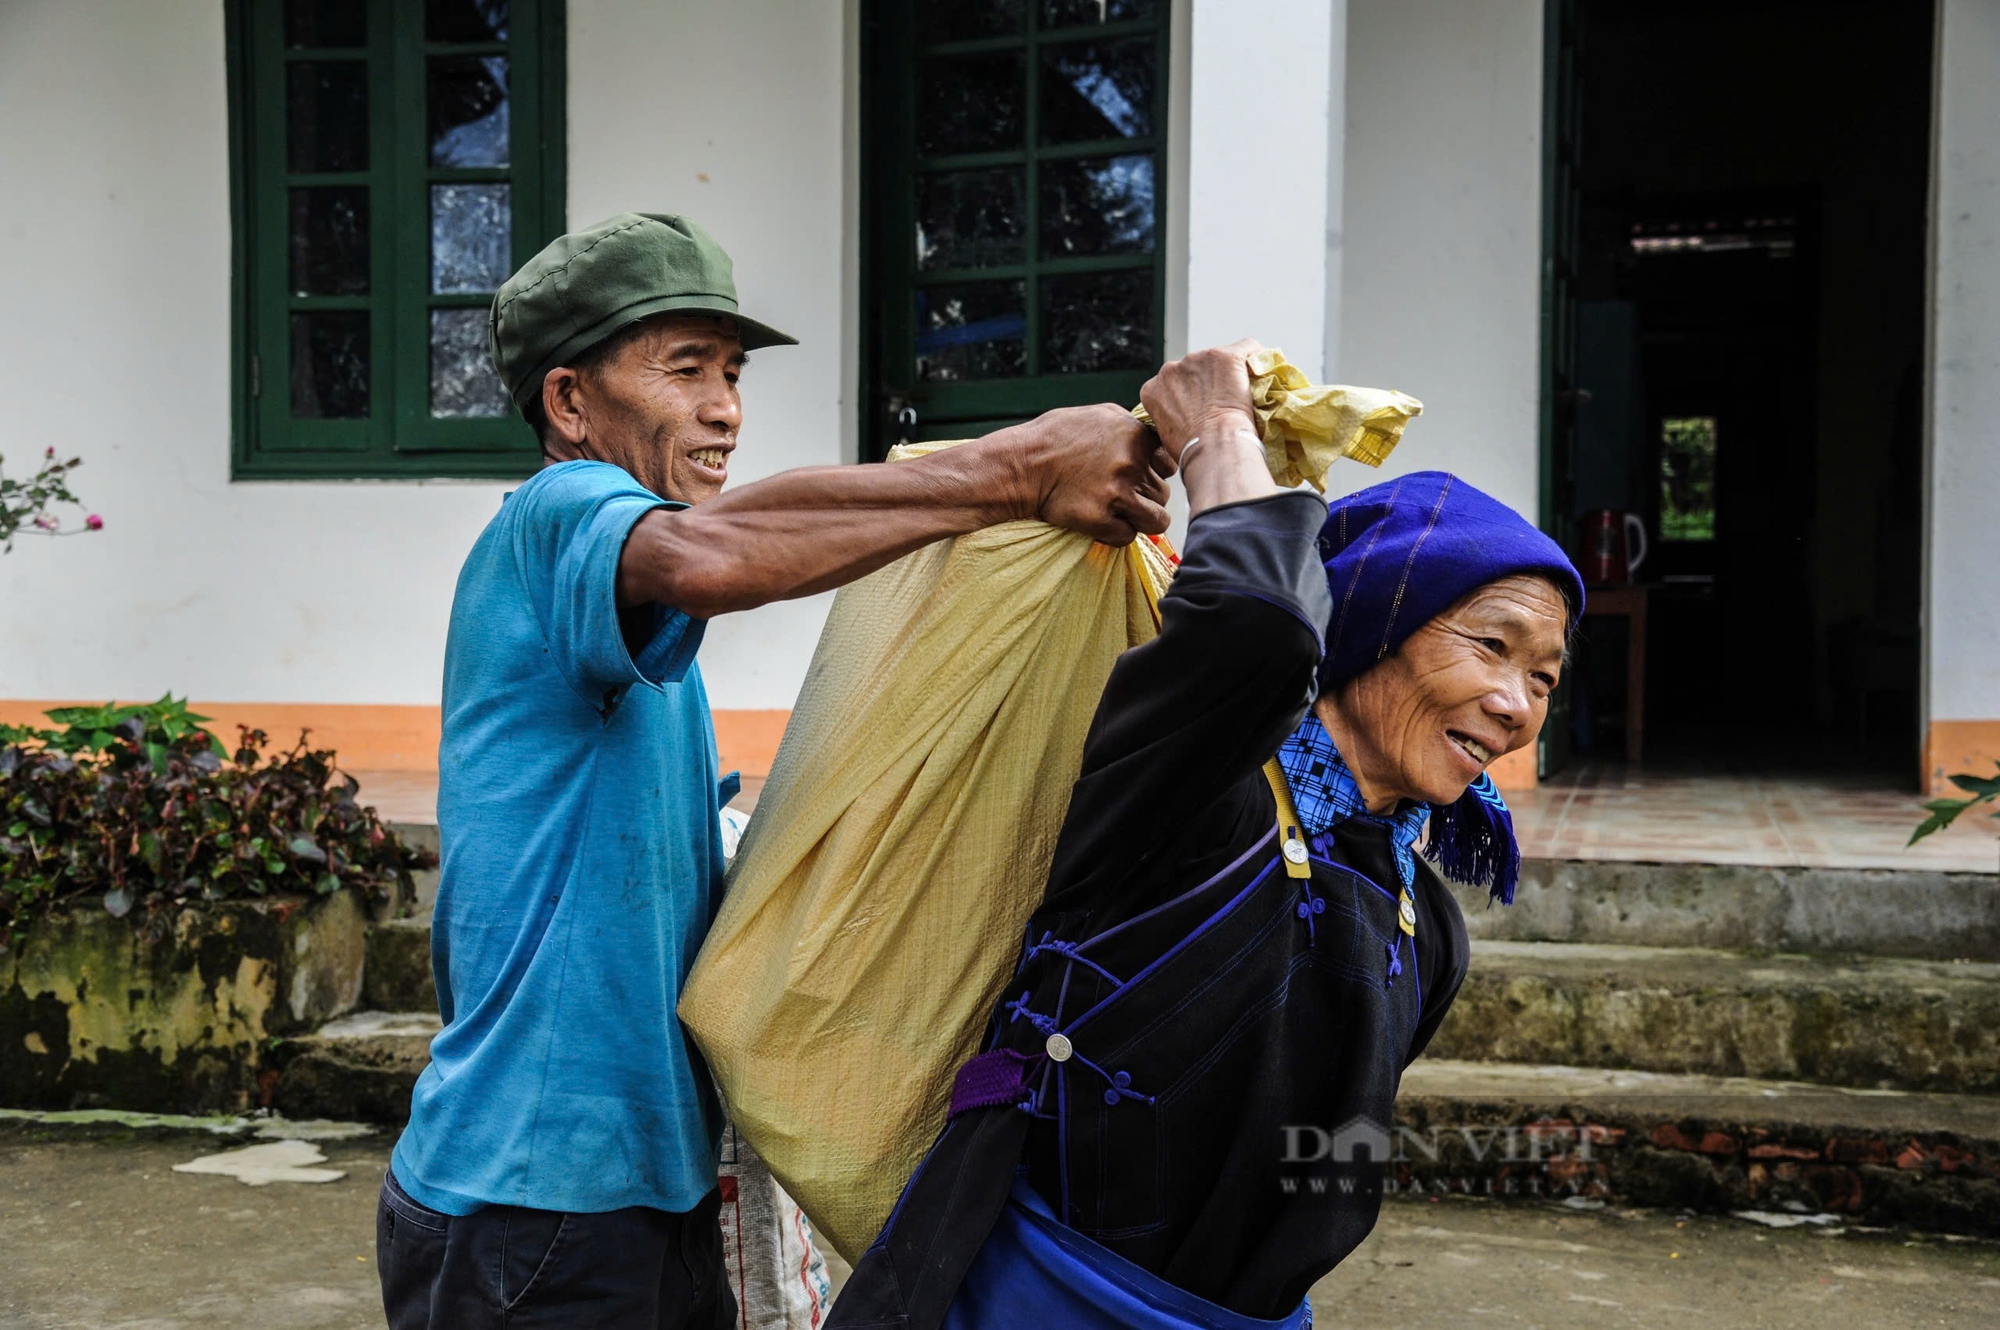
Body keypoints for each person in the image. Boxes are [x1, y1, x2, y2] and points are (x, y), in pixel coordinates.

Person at [374, 212, 1194, 1330]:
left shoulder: (634, 642)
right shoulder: (558, 516)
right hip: (532, 1201)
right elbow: (712, 556)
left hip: (637, 1192)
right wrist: (1014, 470)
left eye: (732, 372)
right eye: (683, 370)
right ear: (568, 403)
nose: (725, 408)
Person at [830, 343, 1585, 1329]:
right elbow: (1257, 630)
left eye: (1542, 678)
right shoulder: (1189, 790)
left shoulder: (1425, 926)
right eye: (1491, 643)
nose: (1514, 703)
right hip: (1036, 1296)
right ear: (1365, 621)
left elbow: (1318, 1164)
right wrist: (1216, 435)